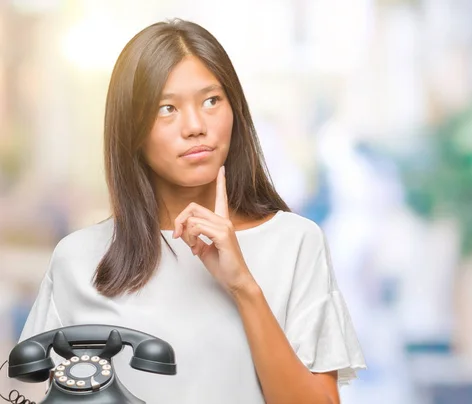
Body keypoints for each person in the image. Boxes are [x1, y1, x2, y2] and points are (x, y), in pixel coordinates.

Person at [18, 19, 366, 404]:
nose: (196, 126)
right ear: (132, 129)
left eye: (211, 101)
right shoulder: (79, 258)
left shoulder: (296, 242)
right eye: (167, 108)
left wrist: (245, 288)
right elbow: (29, 392)